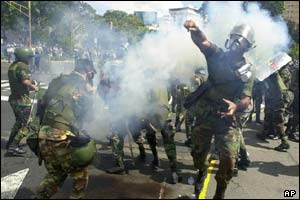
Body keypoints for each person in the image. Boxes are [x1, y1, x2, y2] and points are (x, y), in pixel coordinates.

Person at [184, 20, 255, 199]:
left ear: (247, 47)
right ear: (229, 38)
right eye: (234, 38)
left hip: (227, 117)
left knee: (230, 159)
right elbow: (202, 42)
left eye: (241, 41)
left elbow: (247, 99)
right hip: (206, 113)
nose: (236, 43)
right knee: (198, 153)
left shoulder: (247, 71)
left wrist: (236, 106)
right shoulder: (217, 55)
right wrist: (196, 30)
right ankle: (200, 171)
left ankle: (220, 190)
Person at [34, 56, 97, 199]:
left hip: (44, 134)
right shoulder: (83, 86)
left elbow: (42, 104)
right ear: (88, 72)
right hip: (61, 136)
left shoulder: (57, 81)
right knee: (80, 174)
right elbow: (88, 116)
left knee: (56, 174)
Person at [6, 48, 38, 155]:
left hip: (14, 98)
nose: (30, 59)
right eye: (29, 57)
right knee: (27, 123)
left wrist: (30, 82)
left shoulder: (13, 66)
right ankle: (14, 146)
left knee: (19, 122)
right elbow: (25, 81)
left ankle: (11, 142)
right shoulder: (22, 66)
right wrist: (33, 86)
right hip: (22, 100)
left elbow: (19, 80)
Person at [257, 62, 294, 151]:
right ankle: (264, 133)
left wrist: (274, 71)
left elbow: (279, 85)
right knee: (268, 114)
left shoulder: (283, 72)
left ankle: (284, 142)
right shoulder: (277, 71)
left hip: (280, 98)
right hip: (273, 97)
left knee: (278, 120)